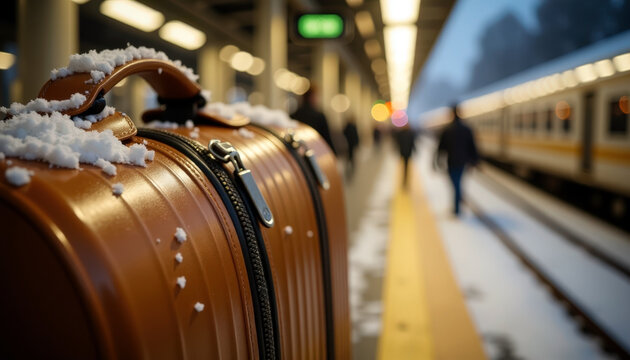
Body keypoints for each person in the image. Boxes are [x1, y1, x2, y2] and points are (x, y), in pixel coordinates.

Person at [436, 106, 479, 216]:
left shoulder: (447, 129)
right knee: (458, 182)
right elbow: (472, 146)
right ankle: (458, 200)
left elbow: (441, 147)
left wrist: (437, 160)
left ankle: (456, 208)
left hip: (451, 161)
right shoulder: (467, 129)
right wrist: (475, 161)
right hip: (463, 161)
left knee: (455, 183)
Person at [291, 87, 336, 154]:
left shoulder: (294, 115)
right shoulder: (319, 116)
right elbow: (326, 137)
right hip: (317, 151)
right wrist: (333, 152)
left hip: (299, 153)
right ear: (311, 97)